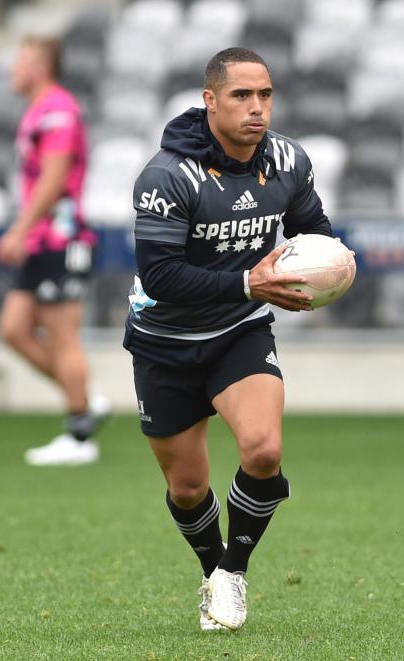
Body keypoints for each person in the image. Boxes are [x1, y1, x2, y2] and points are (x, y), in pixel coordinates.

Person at [123, 47, 332, 631]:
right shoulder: (167, 175)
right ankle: (212, 569)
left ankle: (232, 573)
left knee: (263, 450)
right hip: (163, 342)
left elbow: (311, 228)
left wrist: (328, 266)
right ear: (210, 101)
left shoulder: (290, 160)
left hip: (239, 330)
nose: (257, 108)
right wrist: (249, 281)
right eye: (242, 96)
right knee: (188, 488)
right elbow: (161, 277)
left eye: (265, 95)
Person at [0, 36, 109, 465]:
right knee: (14, 329)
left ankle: (80, 438)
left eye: (20, 60)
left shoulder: (57, 109)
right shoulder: (39, 109)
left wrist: (19, 230)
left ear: (41, 65)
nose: (13, 69)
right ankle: (83, 397)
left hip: (61, 240)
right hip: (42, 240)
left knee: (63, 338)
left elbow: (55, 176)